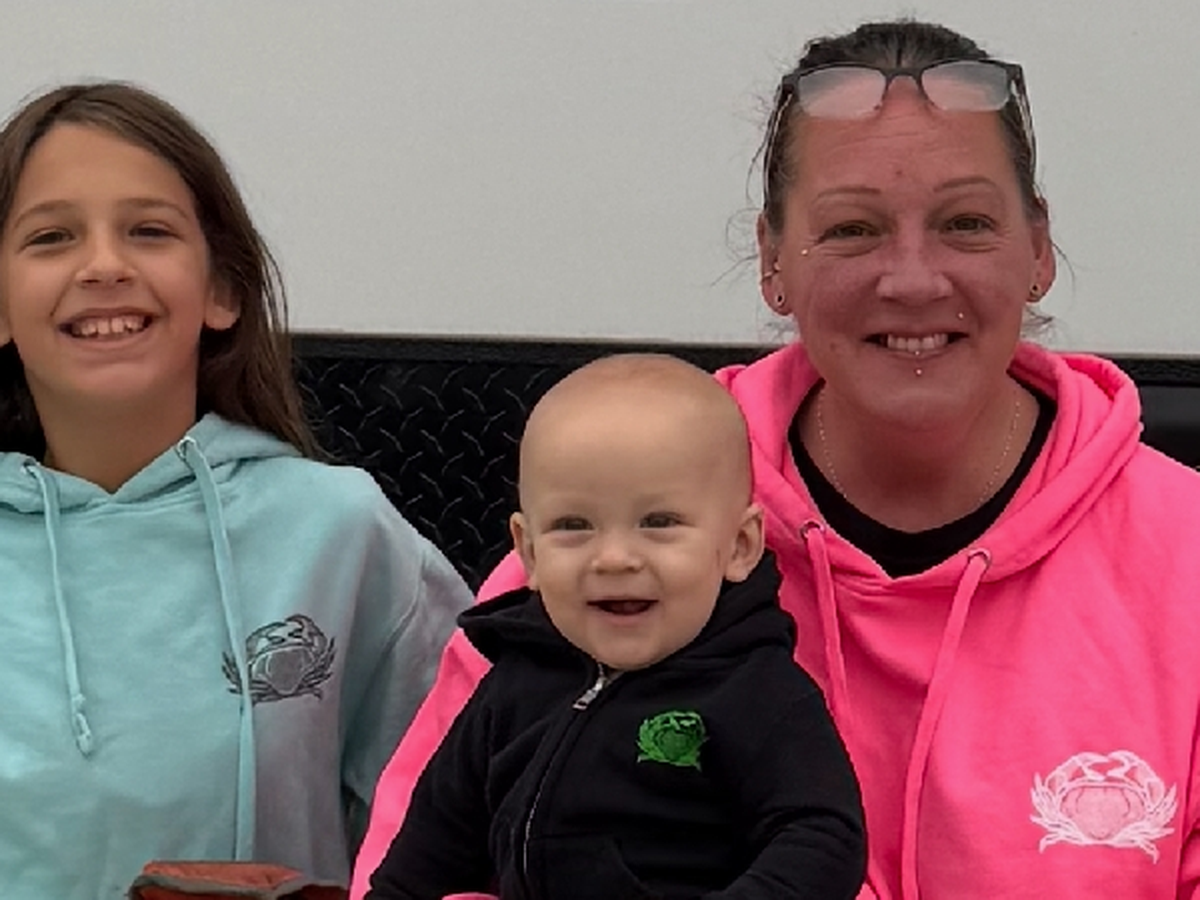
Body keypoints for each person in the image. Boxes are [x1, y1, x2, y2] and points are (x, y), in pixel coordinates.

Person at [353, 19, 1200, 900]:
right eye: (852, 229)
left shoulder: (1185, 559)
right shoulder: (616, 525)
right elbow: (417, 867)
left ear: (1038, 250)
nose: (913, 278)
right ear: (771, 262)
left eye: (967, 223)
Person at [0, 82, 472, 899]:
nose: (104, 265)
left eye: (149, 231)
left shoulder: (339, 531)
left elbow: (476, 808)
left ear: (222, 288)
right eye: (51, 237)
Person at [365, 354, 866, 900]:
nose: (614, 558)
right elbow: (428, 849)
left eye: (658, 523)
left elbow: (823, 838)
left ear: (740, 546)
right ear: (528, 552)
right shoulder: (511, 686)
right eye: (573, 526)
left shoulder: (757, 691)